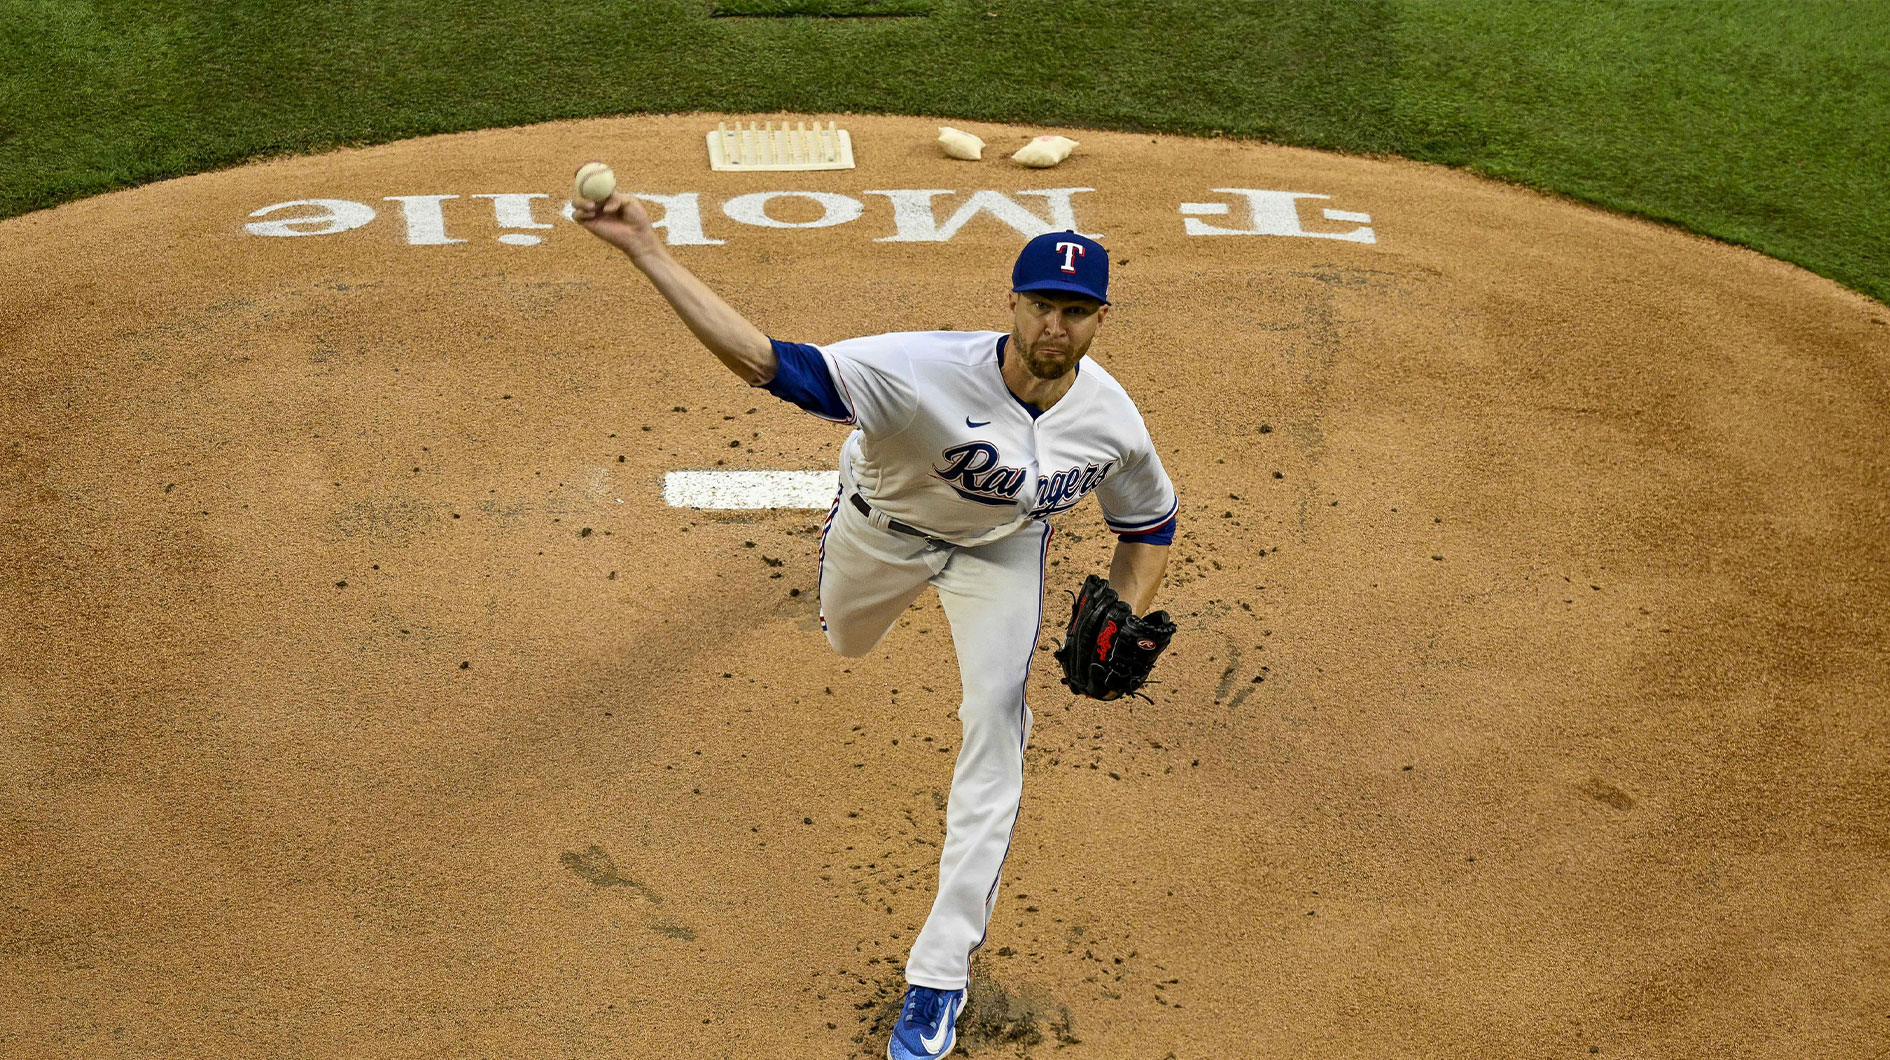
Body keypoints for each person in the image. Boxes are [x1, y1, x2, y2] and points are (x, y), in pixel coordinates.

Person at [574, 185, 1178, 1060]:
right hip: (880, 533)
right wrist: (646, 252)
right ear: (1011, 303)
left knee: (997, 727)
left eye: (1077, 312)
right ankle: (848, 576)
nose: (1057, 326)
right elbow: (765, 361)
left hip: (1001, 555)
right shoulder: (918, 370)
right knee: (848, 639)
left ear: (1100, 321)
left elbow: (1148, 524)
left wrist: (1129, 609)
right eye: (1044, 304)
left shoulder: (1111, 422)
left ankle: (937, 980)